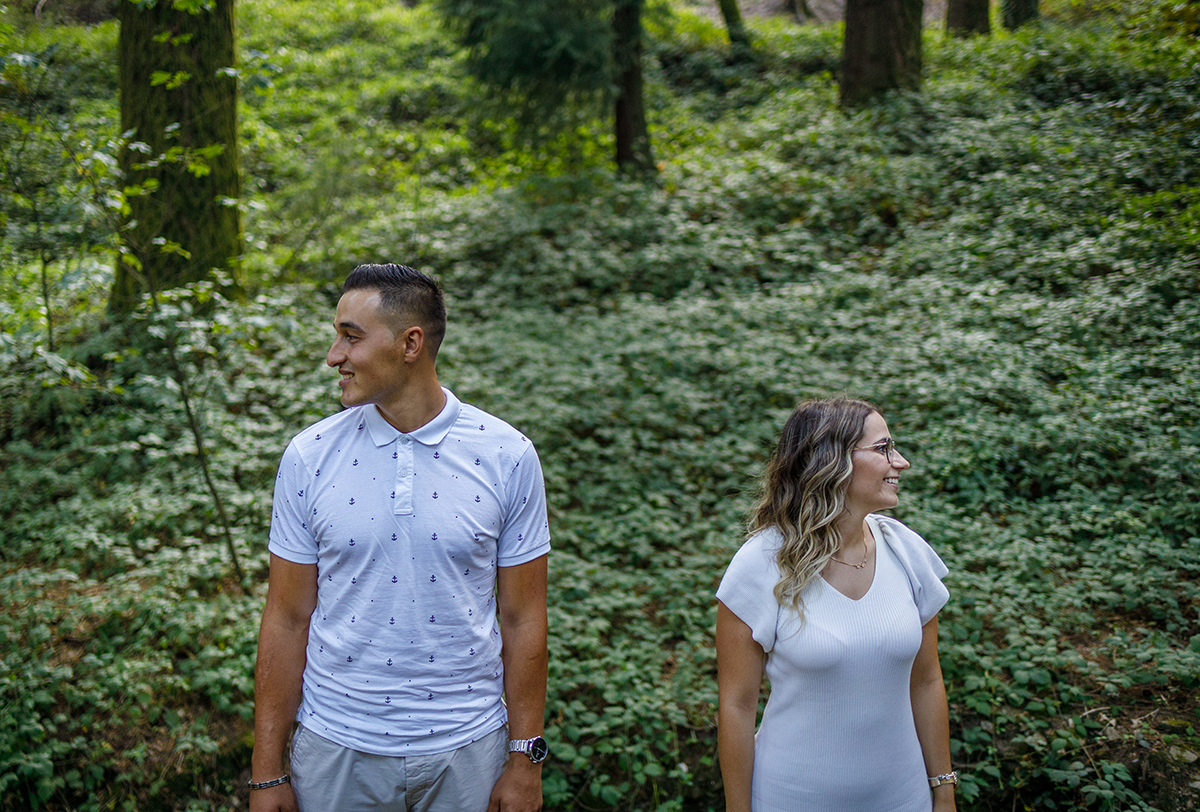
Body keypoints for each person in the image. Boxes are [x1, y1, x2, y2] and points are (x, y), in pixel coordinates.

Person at [249, 263, 551, 812]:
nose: (333, 356)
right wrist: (267, 774)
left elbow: (524, 617)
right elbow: (287, 618)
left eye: (350, 336)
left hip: (469, 750)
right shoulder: (309, 457)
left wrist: (524, 759)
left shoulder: (507, 455)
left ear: (411, 343)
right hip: (335, 748)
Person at [715, 397, 957, 812]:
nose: (901, 462)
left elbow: (927, 681)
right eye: (883, 449)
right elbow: (736, 707)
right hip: (791, 799)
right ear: (832, 461)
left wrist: (944, 790)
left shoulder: (907, 553)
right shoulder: (761, 565)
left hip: (903, 799)